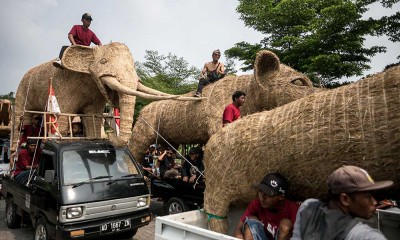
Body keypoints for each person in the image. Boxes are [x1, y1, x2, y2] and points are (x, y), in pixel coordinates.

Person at [290, 165, 393, 240]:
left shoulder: (308, 207)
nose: (374, 202)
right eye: (368, 196)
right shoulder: (365, 236)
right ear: (345, 199)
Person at [234, 173, 299, 240]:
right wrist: (238, 235)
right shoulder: (256, 203)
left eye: (268, 195)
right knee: (251, 220)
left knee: (286, 225)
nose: (262, 197)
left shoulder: (293, 208)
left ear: (281, 197)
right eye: (261, 191)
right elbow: (237, 230)